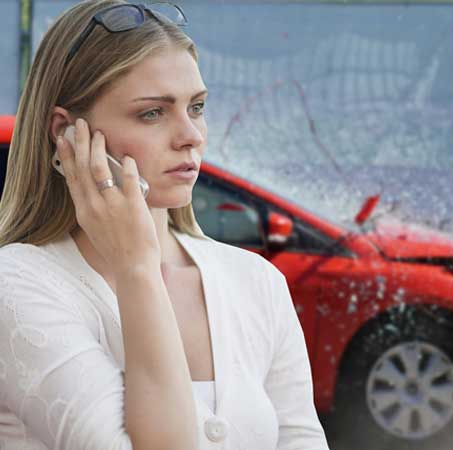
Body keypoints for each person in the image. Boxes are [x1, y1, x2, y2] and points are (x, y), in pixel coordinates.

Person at [0, 1, 330, 449]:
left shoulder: (257, 283)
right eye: (152, 113)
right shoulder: (18, 284)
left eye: (196, 107)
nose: (190, 135)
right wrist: (138, 268)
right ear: (66, 131)